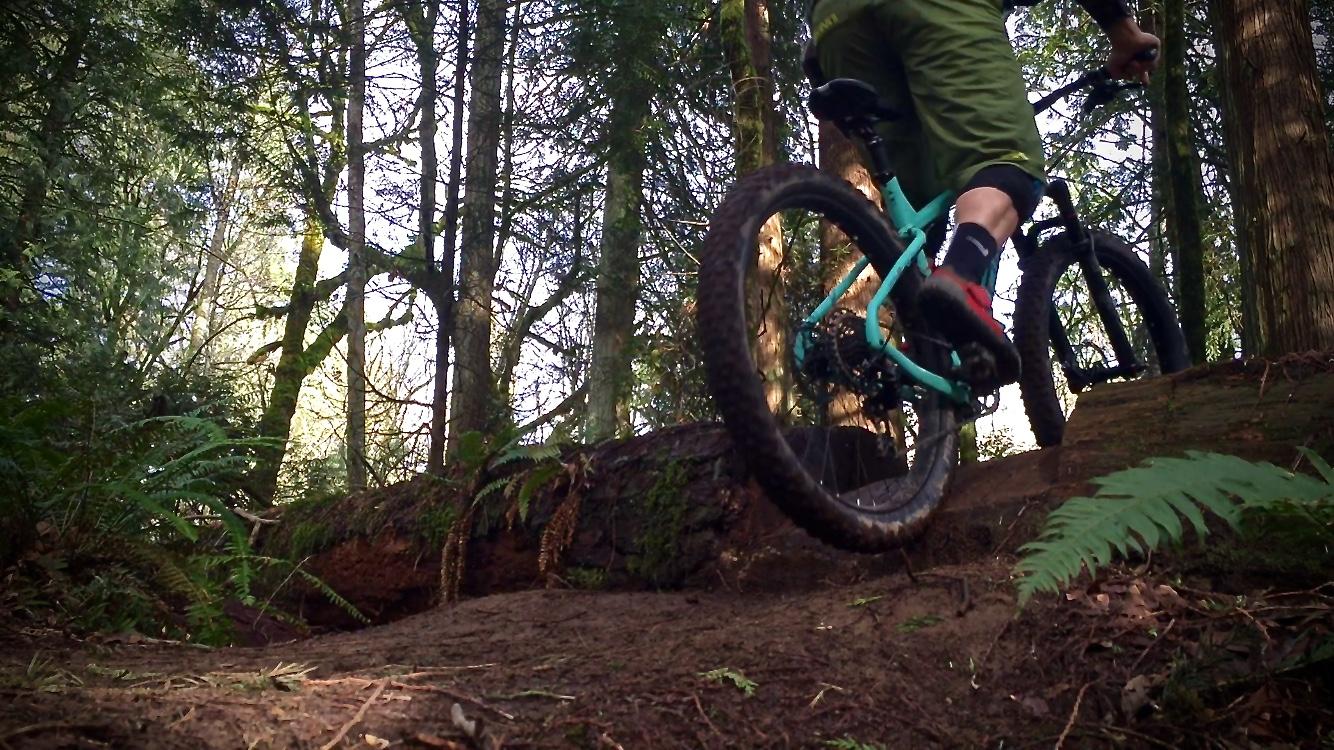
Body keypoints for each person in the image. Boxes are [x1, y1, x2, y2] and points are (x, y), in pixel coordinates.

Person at [804, 0, 1160, 387]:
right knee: (1006, 164)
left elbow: (813, 59)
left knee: (918, 215)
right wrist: (1126, 34)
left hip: (833, 23)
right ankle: (961, 278)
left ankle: (927, 342)